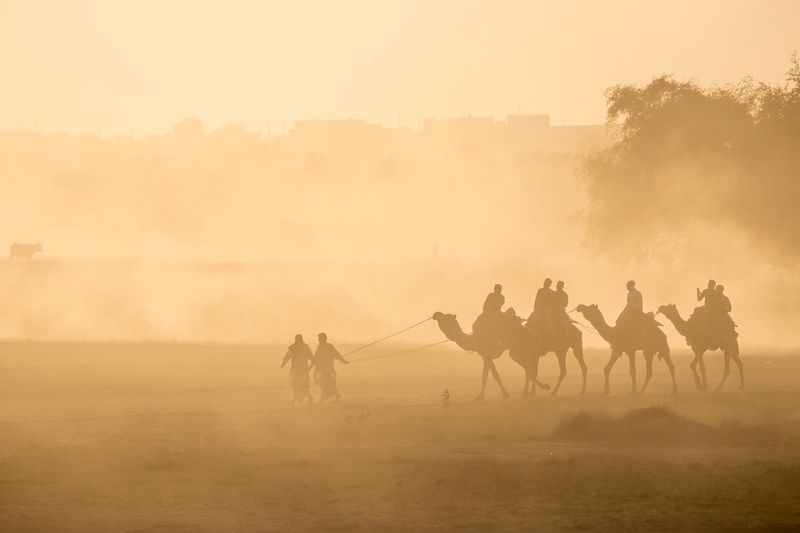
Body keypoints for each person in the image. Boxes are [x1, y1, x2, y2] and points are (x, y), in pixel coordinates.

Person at [313, 333, 348, 401]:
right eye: (319, 338)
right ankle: (337, 395)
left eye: (319, 338)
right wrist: (311, 365)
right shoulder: (319, 347)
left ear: (324, 339)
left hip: (328, 369)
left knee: (324, 383)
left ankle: (322, 399)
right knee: (328, 383)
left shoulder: (329, 346)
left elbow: (337, 354)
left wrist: (343, 361)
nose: (318, 340)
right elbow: (316, 357)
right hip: (321, 368)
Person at [281, 334, 315, 404]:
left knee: (299, 384)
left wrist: (311, 365)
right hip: (295, 369)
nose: (298, 341)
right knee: (297, 384)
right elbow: (287, 356)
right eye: (297, 339)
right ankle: (309, 398)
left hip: (303, 369)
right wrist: (283, 363)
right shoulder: (293, 348)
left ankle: (295, 400)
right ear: (296, 340)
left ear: (301, 340)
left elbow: (311, 356)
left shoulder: (305, 348)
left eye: (300, 339)